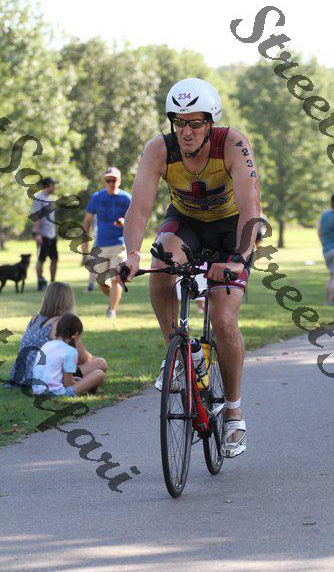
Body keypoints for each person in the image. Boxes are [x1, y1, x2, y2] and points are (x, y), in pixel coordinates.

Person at [117, 77, 261, 458]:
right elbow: (139, 207)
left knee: (223, 319)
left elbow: (251, 205)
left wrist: (237, 260)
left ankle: (233, 412)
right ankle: (180, 355)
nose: (186, 131)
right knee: (160, 263)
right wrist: (131, 254)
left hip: (231, 231)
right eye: (179, 122)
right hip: (187, 224)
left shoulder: (232, 143)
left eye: (195, 123)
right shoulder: (159, 150)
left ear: (210, 122)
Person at [8, 281, 107, 387]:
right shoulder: (61, 322)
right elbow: (85, 358)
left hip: (20, 376)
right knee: (100, 363)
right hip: (43, 377)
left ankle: (75, 380)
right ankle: (74, 382)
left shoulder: (35, 318)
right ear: (68, 301)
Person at [82, 167, 131, 318]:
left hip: (119, 245)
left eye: (114, 180)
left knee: (116, 278)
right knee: (102, 282)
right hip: (101, 245)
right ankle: (114, 299)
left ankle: (112, 311)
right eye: (108, 180)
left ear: (119, 181)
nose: (111, 183)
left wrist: (124, 221)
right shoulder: (97, 197)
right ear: (104, 182)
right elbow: (87, 220)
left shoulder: (126, 198)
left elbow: (135, 219)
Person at [31, 313, 105, 397]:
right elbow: (67, 384)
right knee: (99, 374)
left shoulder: (46, 345)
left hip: (37, 390)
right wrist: (82, 384)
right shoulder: (70, 351)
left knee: (79, 379)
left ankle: (86, 386)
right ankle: (88, 389)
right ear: (75, 335)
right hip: (55, 393)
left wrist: (78, 381)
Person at [32, 177, 58, 291]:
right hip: (43, 234)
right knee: (41, 259)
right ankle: (40, 281)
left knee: (55, 258)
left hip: (52, 234)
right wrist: (37, 234)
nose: (55, 187)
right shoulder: (39, 198)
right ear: (49, 185)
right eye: (53, 185)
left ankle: (52, 282)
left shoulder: (50, 198)